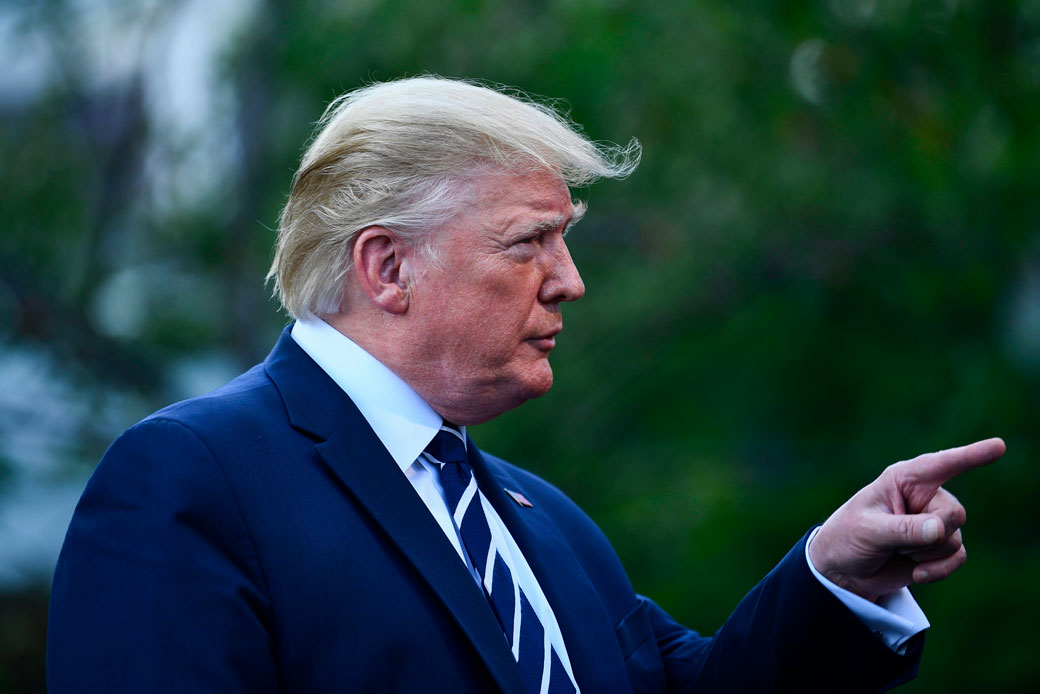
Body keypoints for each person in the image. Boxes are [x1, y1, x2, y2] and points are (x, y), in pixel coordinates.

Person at [47, 76, 1004, 693]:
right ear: (387, 269)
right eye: (528, 242)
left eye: (568, 238)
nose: (570, 278)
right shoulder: (191, 477)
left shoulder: (537, 517)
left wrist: (831, 578)